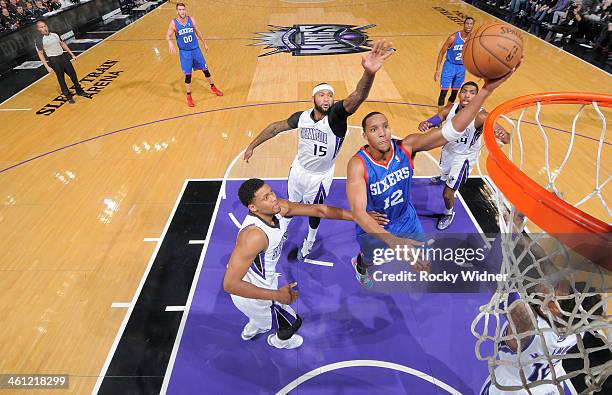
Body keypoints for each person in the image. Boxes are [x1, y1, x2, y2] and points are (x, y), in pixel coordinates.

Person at [346, 68, 518, 288]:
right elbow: (359, 213)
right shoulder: (358, 164)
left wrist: (486, 90)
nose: (382, 133)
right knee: (368, 260)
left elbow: (452, 131)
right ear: (365, 135)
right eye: (374, 129)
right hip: (376, 223)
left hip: (406, 218)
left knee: (424, 263)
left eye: (385, 126)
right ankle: (359, 264)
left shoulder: (407, 147)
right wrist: (396, 244)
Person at [243, 40, 395, 261]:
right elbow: (275, 127)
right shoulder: (302, 117)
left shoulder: (335, 118)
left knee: (315, 211)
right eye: (321, 94)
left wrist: (369, 73)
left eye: (330, 95)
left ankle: (310, 239)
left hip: (319, 177)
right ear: (313, 97)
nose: (327, 98)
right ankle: (282, 232)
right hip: (298, 169)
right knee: (288, 205)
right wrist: (252, 145)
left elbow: (357, 97)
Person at [222, 178, 387, 349]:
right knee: (293, 322)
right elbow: (230, 284)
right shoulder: (253, 237)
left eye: (271, 192)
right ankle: (278, 341)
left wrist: (358, 217)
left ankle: (254, 326)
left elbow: (319, 210)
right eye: (266, 197)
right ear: (253, 208)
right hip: (251, 293)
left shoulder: (280, 208)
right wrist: (277, 295)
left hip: (264, 282)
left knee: (261, 321)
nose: (273, 198)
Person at [418, 81, 510, 230]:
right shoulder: (450, 109)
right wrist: (427, 123)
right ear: (459, 94)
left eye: (472, 92)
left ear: (477, 96)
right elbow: (439, 116)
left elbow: (506, 138)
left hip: (463, 157)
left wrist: (502, 135)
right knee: (444, 172)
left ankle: (448, 213)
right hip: (448, 150)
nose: (467, 95)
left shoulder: (481, 116)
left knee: (448, 194)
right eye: (465, 91)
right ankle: (443, 177)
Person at [166, 2, 222, 107]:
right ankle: (189, 97)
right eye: (180, 10)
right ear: (177, 11)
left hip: (196, 50)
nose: (182, 11)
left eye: (183, 9)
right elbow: (167, 35)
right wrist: (169, 42)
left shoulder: (191, 20)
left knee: (206, 69)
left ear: (185, 10)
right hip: (185, 52)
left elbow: (198, 32)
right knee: (188, 75)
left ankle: (213, 87)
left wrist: (204, 43)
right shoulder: (174, 23)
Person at [34, 20, 88, 104]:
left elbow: (62, 44)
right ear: (38, 29)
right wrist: (47, 67)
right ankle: (68, 96)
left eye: (44, 26)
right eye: (41, 27)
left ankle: (79, 90)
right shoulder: (39, 40)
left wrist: (71, 54)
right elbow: (40, 54)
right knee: (61, 78)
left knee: (73, 74)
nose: (44, 28)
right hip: (54, 60)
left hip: (63, 56)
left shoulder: (55, 34)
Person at [434, 17, 474, 110]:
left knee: (455, 93)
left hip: (461, 68)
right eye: (467, 23)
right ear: (464, 24)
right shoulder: (453, 37)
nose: (469, 25)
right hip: (449, 66)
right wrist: (437, 69)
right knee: (443, 92)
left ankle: (447, 112)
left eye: (471, 24)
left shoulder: (472, 38)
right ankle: (439, 117)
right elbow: (441, 53)